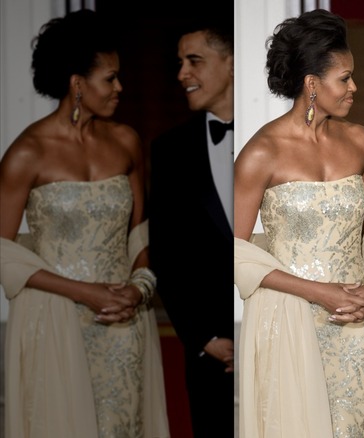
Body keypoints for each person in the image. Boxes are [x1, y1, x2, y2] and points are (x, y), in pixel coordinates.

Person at [233, 9, 364, 438]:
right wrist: (318, 292)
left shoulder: (361, 141)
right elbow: (235, 252)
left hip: (358, 318)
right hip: (290, 320)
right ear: (312, 83)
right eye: (344, 78)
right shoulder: (260, 154)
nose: (354, 87)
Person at [0, 9, 169, 438]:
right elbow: (2, 251)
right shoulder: (27, 153)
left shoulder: (127, 141)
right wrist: (83, 292)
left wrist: (139, 287)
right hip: (55, 319)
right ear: (78, 83)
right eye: (109, 78)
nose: (120, 88)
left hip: (123, 319)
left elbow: (139, 234)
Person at [147, 12, 235, 437]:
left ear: (231, 62)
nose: (183, 74)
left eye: (194, 61)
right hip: (209, 352)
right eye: (180, 63)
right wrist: (203, 339)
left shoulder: (281, 137)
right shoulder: (169, 151)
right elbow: (165, 252)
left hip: (281, 340)